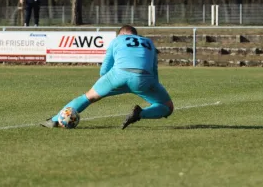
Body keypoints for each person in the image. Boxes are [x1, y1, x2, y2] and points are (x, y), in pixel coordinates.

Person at [41, 25, 174, 129]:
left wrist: (106, 85)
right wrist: (152, 89)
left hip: (118, 76)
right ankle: (140, 114)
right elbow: (154, 69)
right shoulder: (149, 42)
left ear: (121, 34)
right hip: (144, 79)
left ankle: (54, 120)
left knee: (88, 97)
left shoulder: (117, 40)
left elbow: (104, 69)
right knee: (167, 107)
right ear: (135, 34)